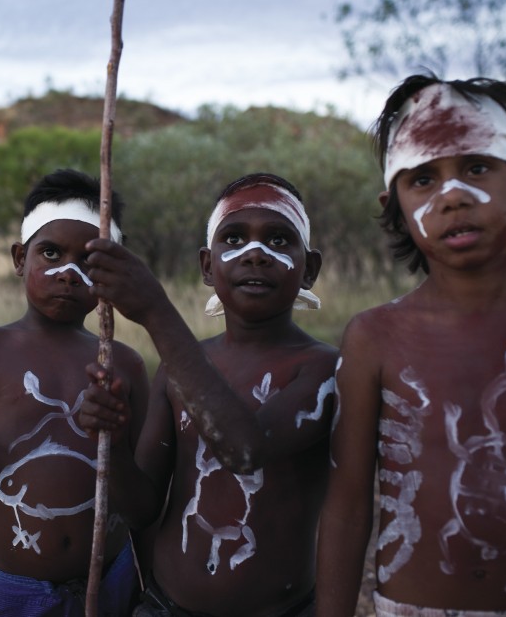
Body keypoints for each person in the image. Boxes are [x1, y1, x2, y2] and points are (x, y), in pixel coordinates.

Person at [315, 75, 506, 616]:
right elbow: (348, 503)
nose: (453, 196)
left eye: (476, 167)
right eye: (423, 179)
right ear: (394, 204)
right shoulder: (376, 338)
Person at [80, 172, 338, 617]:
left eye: (278, 240)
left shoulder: (324, 370)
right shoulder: (179, 369)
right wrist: (113, 441)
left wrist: (156, 311)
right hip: (166, 606)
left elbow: (244, 449)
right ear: (207, 264)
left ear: (309, 269)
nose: (255, 254)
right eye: (234, 238)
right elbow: (141, 507)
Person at [0, 168, 151, 616]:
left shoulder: (124, 365)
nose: (67, 273)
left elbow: (144, 507)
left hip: (113, 585)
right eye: (51, 253)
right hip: (19, 596)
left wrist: (115, 444)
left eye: (88, 261)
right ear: (20, 258)